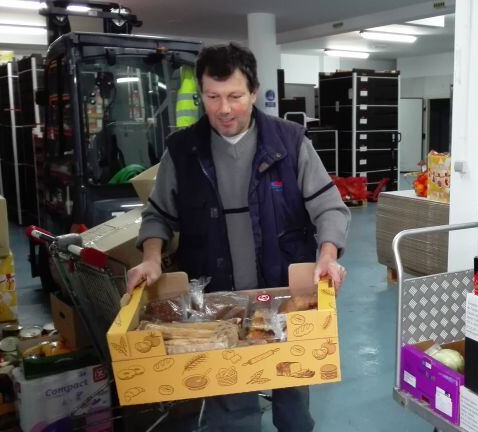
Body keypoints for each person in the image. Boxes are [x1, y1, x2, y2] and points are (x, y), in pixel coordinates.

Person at [126, 43, 351, 432]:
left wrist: (328, 254)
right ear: (201, 94)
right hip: (216, 305)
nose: (224, 109)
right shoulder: (183, 150)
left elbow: (328, 206)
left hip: (284, 298)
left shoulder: (290, 142)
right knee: (231, 404)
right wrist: (150, 257)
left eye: (234, 96)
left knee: (293, 394)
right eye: (212, 97)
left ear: (253, 92)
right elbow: (159, 214)